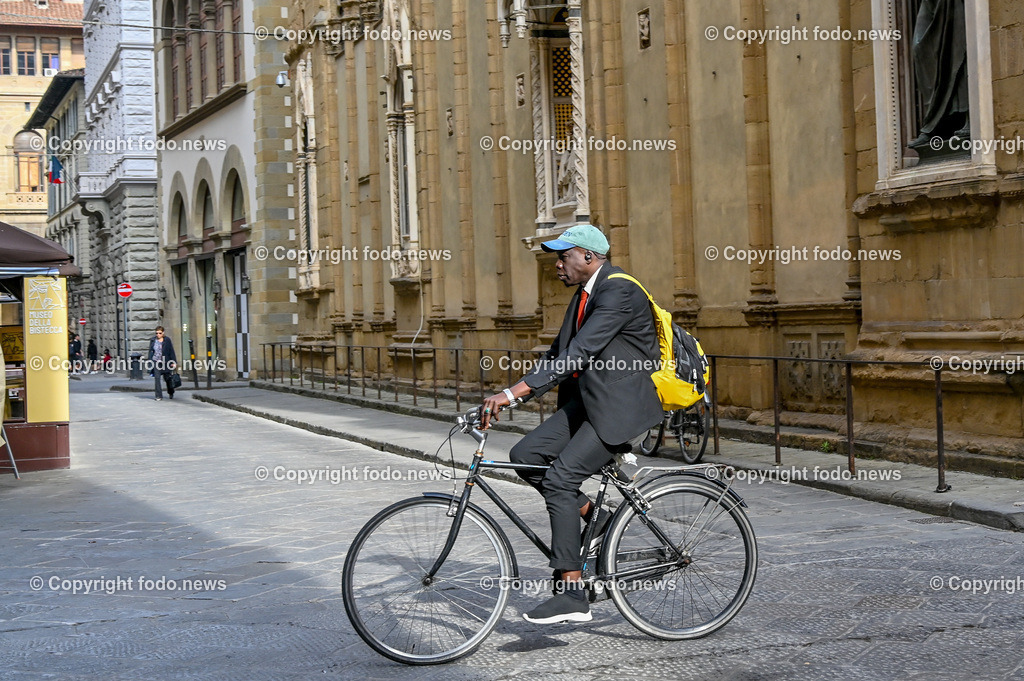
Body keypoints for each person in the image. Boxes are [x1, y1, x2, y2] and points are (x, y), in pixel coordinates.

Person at [480, 224, 663, 625]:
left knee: (560, 480)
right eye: (557, 258)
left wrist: (511, 395)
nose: (557, 265)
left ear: (588, 257)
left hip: (621, 409)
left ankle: (572, 592)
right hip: (590, 404)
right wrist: (512, 395)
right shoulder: (583, 295)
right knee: (526, 456)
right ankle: (596, 517)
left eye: (563, 257)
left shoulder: (619, 290)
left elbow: (580, 352)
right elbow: (557, 355)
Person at [146, 326, 177, 400]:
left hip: (166, 362)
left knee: (168, 379)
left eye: (160, 333)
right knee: (157, 379)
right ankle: (158, 396)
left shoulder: (167, 340)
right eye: (156, 333)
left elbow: (171, 351)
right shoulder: (153, 340)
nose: (158, 335)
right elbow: (151, 351)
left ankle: (171, 392)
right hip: (156, 362)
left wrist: (174, 362)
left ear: (163, 333)